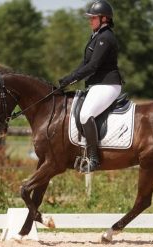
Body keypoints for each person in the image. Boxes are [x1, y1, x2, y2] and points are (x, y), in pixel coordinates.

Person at [59, 0, 122, 172]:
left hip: (108, 84)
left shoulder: (106, 38)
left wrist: (72, 78)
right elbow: (84, 64)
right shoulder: (95, 37)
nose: (90, 21)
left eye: (93, 18)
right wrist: (68, 79)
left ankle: (94, 158)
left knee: (86, 114)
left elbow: (93, 66)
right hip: (97, 85)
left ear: (104, 19)